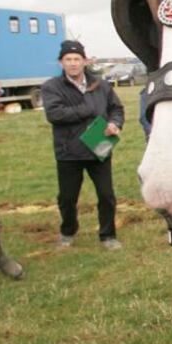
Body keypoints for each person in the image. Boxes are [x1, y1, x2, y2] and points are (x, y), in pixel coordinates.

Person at [40, 40, 125, 250]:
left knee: (106, 195)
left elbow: (116, 109)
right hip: (68, 152)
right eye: (68, 59)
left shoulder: (101, 85)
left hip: (99, 147)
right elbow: (55, 114)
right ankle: (68, 232)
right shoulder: (52, 87)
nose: (73, 63)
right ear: (60, 63)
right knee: (67, 198)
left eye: (77, 59)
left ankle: (108, 235)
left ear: (84, 61)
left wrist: (115, 123)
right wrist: (87, 109)